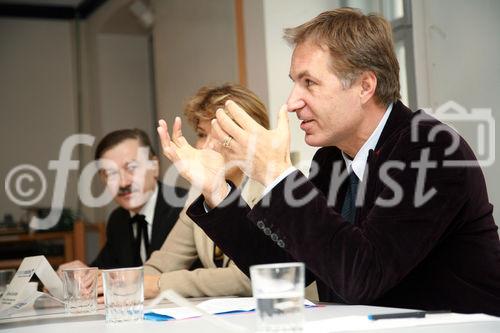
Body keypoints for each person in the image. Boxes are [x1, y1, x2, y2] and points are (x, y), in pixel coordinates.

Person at [157, 8, 500, 315]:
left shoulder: (431, 149)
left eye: (310, 83)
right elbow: (283, 268)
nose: (292, 102)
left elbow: (363, 276)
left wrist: (276, 173)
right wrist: (217, 191)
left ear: (365, 86)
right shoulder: (331, 160)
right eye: (295, 83)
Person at [143, 84, 318, 299]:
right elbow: (161, 264)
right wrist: (126, 285)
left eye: (218, 135)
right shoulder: (201, 196)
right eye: (200, 134)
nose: (206, 147)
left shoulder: (278, 185)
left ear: (245, 135)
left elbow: (252, 275)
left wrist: (161, 285)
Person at [59, 129, 187, 271]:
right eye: (111, 173)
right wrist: (82, 274)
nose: (123, 183)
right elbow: (105, 271)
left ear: (154, 166)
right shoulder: (118, 220)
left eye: (131, 168)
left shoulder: (187, 206)